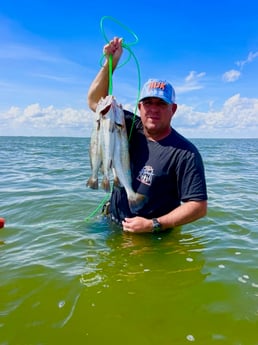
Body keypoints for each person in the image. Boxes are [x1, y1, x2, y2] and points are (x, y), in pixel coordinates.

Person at [87, 37, 208, 234]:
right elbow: (94, 102)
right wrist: (111, 62)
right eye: (148, 103)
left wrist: (154, 224)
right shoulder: (127, 126)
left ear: (173, 109)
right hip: (111, 222)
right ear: (139, 107)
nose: (153, 109)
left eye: (161, 104)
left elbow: (198, 207)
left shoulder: (185, 153)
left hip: (152, 238)